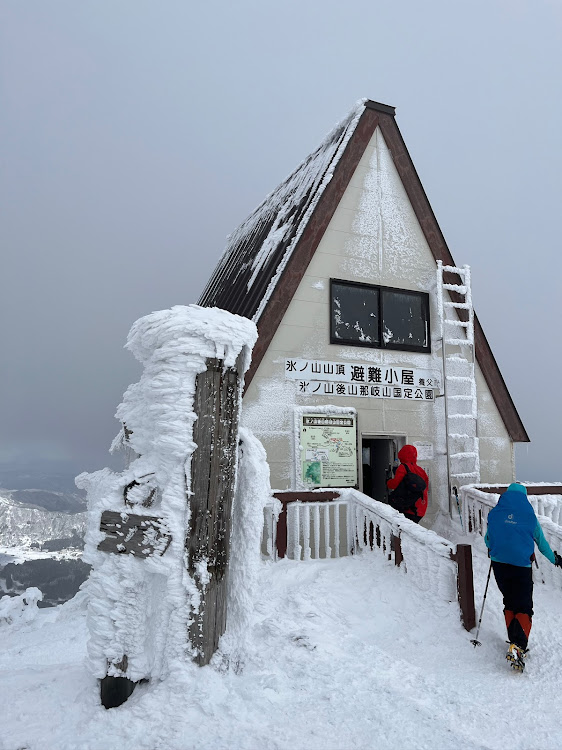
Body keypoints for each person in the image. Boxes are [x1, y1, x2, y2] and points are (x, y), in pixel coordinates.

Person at [485, 482, 562, 670]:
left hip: (499, 565)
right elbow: (542, 544)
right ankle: (518, 645)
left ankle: (514, 641)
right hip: (521, 567)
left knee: (509, 601)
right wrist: (556, 560)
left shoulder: (495, 514)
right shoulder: (529, 517)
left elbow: (488, 539)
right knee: (524, 605)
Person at [386, 444, 428, 524]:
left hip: (407, 508)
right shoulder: (421, 471)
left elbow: (394, 484)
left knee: (401, 531)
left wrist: (388, 481)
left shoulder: (403, 467)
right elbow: (425, 488)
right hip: (420, 509)